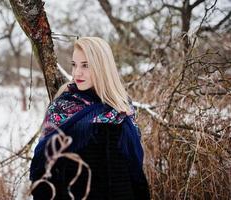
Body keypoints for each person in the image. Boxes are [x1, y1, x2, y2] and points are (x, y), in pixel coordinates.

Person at [29, 37, 150, 200]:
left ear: (102, 67)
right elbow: (43, 166)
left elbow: (134, 169)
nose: (77, 72)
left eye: (85, 65)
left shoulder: (122, 109)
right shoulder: (62, 107)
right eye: (74, 64)